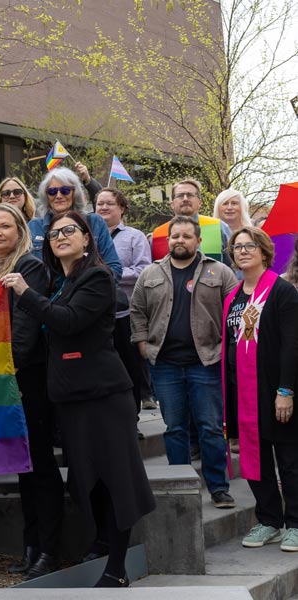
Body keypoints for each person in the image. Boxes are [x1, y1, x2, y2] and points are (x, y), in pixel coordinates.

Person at [5, 211, 155, 587]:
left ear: (88, 238)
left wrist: (26, 293)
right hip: (71, 399)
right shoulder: (60, 282)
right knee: (92, 483)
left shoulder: (98, 277)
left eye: (69, 230)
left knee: (116, 480)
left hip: (103, 397)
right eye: (54, 233)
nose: (60, 237)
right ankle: (104, 546)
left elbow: (69, 321)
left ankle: (117, 569)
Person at [130, 216, 238, 508]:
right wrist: (141, 343)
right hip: (164, 364)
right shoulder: (150, 274)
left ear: (198, 241)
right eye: (174, 236)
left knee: (211, 428)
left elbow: (234, 313)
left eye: (186, 236)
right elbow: (137, 310)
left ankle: (218, 488)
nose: (179, 240)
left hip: (206, 363)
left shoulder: (220, 272)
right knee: (175, 428)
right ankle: (181, 486)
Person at [0, 203, 63, 580]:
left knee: (41, 466)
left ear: (19, 230)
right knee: (23, 467)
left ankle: (49, 549)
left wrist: (6, 369)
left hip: (25, 377)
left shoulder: (28, 265)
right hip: (1, 378)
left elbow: (26, 329)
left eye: (5, 226)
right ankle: (31, 547)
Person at [223, 228, 298, 550]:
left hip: (276, 390)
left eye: (249, 245)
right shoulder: (232, 297)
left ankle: (294, 523)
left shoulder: (283, 292)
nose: (242, 251)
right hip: (244, 394)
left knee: (290, 461)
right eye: (237, 247)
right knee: (255, 461)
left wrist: (286, 390)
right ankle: (268, 520)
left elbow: (292, 344)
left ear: (264, 251)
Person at [95, 188, 153, 429]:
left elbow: (143, 271)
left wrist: (109, 274)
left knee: (129, 369)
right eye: (100, 204)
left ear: (122, 208)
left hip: (126, 314)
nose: (104, 208)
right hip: (95, 315)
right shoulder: (87, 234)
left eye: (109, 203)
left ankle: (132, 421)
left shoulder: (134, 236)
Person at [28, 167, 122, 279]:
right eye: (52, 192)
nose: (58, 196)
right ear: (46, 196)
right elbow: (28, 270)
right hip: (46, 295)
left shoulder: (94, 222)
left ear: (75, 193)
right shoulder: (34, 226)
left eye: (65, 190)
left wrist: (91, 288)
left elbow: (114, 268)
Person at [150, 179, 232, 267]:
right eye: (180, 195)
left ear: (200, 203)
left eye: (190, 195)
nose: (185, 199)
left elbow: (234, 266)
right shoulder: (157, 235)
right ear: (172, 204)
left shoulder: (219, 227)